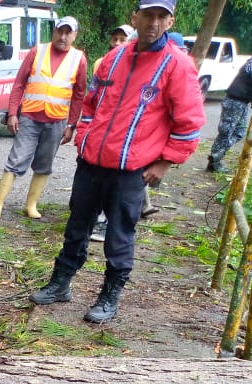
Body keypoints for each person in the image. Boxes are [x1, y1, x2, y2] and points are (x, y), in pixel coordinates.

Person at [29, 0, 204, 324]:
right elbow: (92, 102)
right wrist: (84, 134)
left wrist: (165, 163)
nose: (153, 23)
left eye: (161, 17)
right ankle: (60, 283)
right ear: (134, 17)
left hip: (130, 171)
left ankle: (109, 295)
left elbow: (190, 122)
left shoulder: (178, 65)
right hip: (92, 163)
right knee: (76, 226)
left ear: (170, 21)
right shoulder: (113, 58)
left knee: (119, 235)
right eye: (148, 15)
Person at [0, 17, 87, 220]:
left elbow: (79, 94)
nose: (63, 36)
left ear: (74, 35)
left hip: (57, 121)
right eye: (60, 31)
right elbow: (19, 83)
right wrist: (13, 113)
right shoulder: (38, 51)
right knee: (16, 159)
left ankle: (30, 205)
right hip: (30, 117)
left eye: (68, 33)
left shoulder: (79, 59)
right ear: (54, 31)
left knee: (45, 163)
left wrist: (72, 125)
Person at [90, 24, 136, 242]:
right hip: (99, 138)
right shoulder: (103, 63)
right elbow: (91, 98)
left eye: (123, 39)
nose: (117, 43)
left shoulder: (140, 67)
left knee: (119, 189)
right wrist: (84, 132)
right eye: (115, 38)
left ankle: (107, 224)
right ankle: (94, 218)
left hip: (126, 143)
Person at [206, 55, 252, 173]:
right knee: (225, 133)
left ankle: (216, 155)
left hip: (242, 102)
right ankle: (214, 163)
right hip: (235, 101)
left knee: (239, 133)